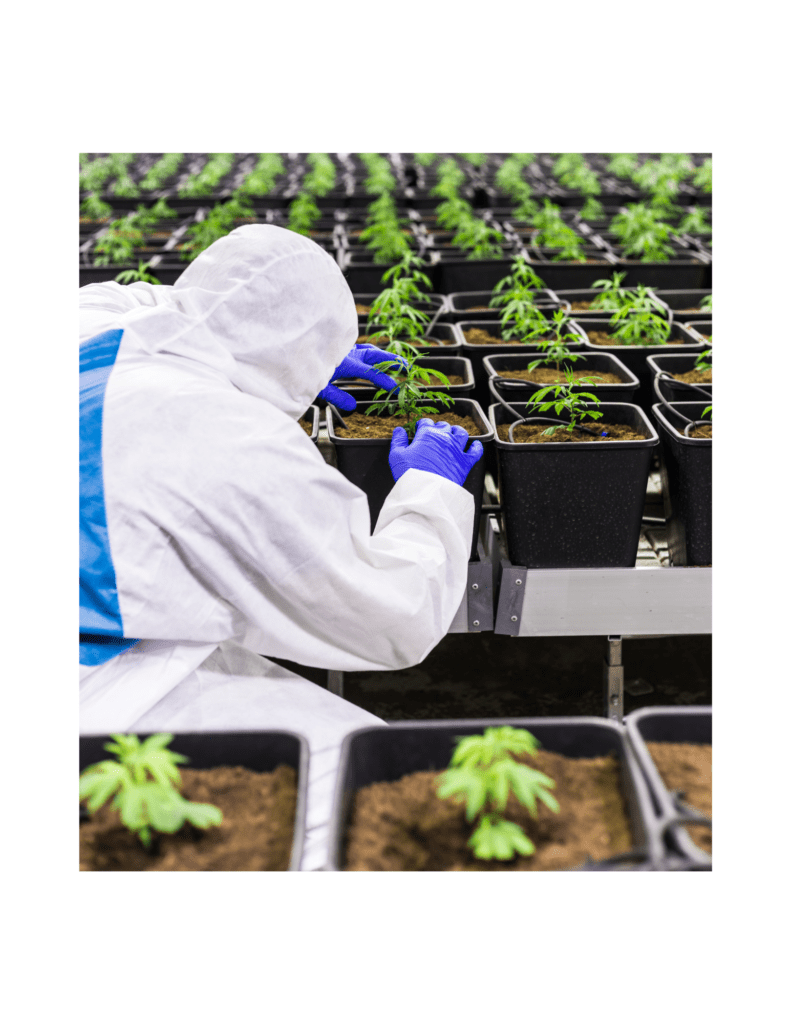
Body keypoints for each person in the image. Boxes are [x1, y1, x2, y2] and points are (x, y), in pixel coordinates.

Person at [79, 224, 483, 869]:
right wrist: (429, 492)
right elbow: (388, 614)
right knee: (369, 800)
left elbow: (170, 302)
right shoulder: (228, 442)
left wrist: (286, 365)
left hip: (95, 619)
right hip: (92, 682)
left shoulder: (87, 325)